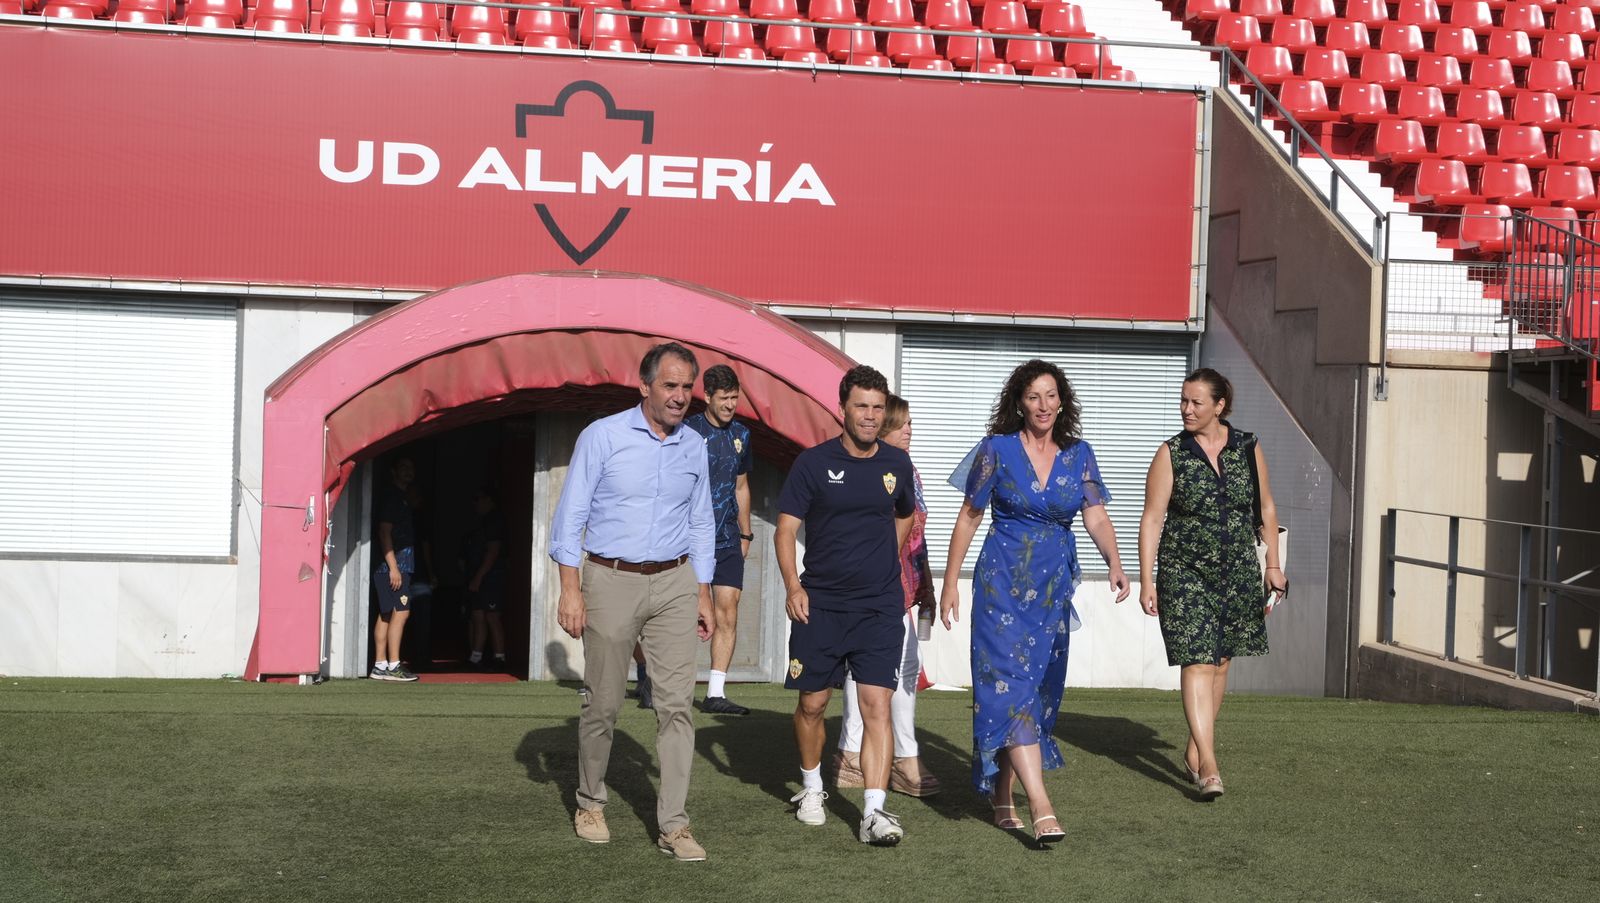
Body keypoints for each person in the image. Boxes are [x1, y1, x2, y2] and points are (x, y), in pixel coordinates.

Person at [939, 359, 1130, 844]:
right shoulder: (997, 450)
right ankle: (1042, 804)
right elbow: (968, 516)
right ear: (1019, 404)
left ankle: (1003, 792)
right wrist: (950, 582)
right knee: (1010, 686)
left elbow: (1096, 516)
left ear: (1062, 401)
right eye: (1033, 397)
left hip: (1050, 589)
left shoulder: (1080, 454)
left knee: (1035, 690)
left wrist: (1114, 561)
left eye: (1050, 395)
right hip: (1000, 583)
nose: (1043, 405)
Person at [549, 341, 717, 862]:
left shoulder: (695, 445)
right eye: (670, 385)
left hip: (676, 582)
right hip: (610, 578)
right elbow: (570, 516)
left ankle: (674, 825)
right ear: (644, 386)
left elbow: (701, 521)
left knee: (677, 707)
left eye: (687, 387)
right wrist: (570, 589)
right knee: (603, 702)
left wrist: (703, 590)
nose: (680, 396)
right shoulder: (602, 436)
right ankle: (590, 803)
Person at [776, 365, 917, 847]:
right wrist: (793, 586)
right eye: (861, 406)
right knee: (812, 704)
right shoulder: (813, 463)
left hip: (879, 606)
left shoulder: (897, 465)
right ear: (842, 409)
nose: (871, 416)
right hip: (821, 605)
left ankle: (874, 812)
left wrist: (884, 560)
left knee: (877, 705)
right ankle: (812, 786)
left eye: (878, 407)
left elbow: (905, 514)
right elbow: (785, 530)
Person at [1135, 368, 1285, 800]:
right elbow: (1152, 519)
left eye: (1196, 402)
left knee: (1220, 662)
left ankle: (1194, 750)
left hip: (1237, 571)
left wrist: (1273, 565)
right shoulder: (1171, 453)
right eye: (1183, 401)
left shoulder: (1247, 447)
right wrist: (1147, 579)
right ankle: (1210, 765)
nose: (1186, 409)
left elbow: (1266, 508)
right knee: (1197, 661)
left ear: (1219, 406)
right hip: (1184, 570)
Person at [834, 394, 941, 797]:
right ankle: (859, 755)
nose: (910, 430)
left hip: (903, 585)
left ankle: (889, 755)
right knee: (868, 666)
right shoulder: (872, 469)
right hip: (872, 584)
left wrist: (926, 584)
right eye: (903, 423)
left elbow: (918, 537)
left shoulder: (910, 471)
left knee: (905, 666)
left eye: (911, 423)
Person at [684, 364, 756, 716]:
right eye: (724, 398)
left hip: (727, 539)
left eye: (735, 398)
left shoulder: (742, 434)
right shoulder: (687, 431)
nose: (730, 405)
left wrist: (745, 532)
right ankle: (663, 683)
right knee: (682, 613)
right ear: (707, 396)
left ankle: (715, 692)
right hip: (687, 540)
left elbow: (742, 486)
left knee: (728, 610)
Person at [371, 456, 420, 683]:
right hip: (394, 566)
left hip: (396, 566)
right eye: (403, 467)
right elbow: (384, 532)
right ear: (393, 471)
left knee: (387, 613)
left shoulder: (401, 497)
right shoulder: (392, 497)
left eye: (411, 467)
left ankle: (380, 665)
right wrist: (393, 567)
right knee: (401, 612)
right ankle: (393, 665)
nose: (408, 471)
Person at [464, 488, 507, 671]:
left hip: (491, 577)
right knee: (478, 615)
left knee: (492, 616)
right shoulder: (482, 522)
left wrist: (479, 577)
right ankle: (476, 658)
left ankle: (499, 658)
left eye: (478, 499)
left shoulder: (494, 520)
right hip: (480, 576)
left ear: (489, 500)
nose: (475, 503)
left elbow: (493, 551)